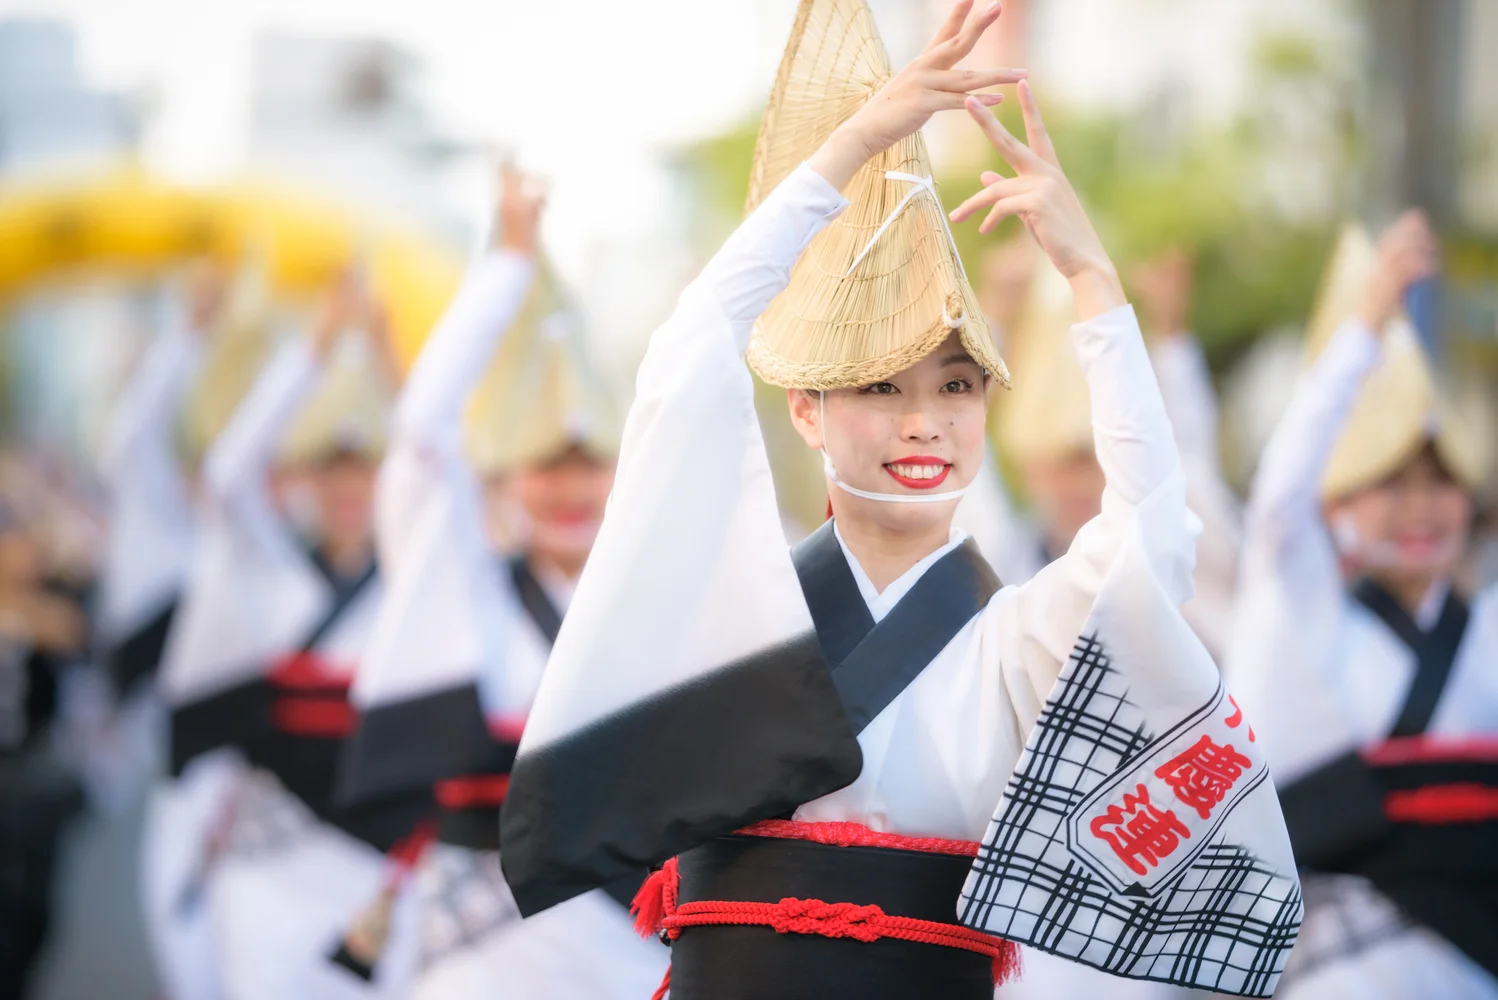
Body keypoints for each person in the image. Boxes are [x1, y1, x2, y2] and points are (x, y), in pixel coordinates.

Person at [500, 1, 1302, 998]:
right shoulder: (737, 609)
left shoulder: (1017, 634)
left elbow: (1154, 543)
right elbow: (687, 355)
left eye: (955, 387)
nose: (924, 421)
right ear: (805, 410)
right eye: (881, 387)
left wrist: (1091, 279)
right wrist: (856, 144)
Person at [333, 166, 667, 999]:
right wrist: (509, 265)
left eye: (590, 465)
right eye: (541, 467)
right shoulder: (465, 596)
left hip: (635, 944)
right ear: (505, 481)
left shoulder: (669, 605)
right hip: (479, 945)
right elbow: (419, 438)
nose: (567, 489)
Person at [1229, 213, 1498, 998]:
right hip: (1346, 966)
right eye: (1392, 482)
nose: (1421, 508)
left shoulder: (1486, 629)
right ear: (1340, 502)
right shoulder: (1319, 620)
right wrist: (1364, 328)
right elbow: (1278, 506)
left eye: (1439, 481)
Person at [149, 273, 397, 1000]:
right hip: (266, 857)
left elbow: (445, 475)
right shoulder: (273, 569)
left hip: (375, 866)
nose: (348, 488)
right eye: (331, 469)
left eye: (367, 470)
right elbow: (229, 474)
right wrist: (317, 344)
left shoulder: (418, 582)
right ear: (304, 479)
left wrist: (385, 355)